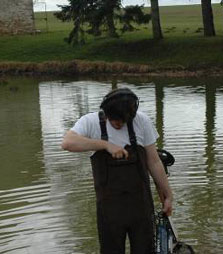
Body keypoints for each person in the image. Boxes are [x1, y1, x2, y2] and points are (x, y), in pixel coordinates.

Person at [61, 88, 173, 254]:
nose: (119, 124)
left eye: (123, 121)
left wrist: (168, 194)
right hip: (109, 210)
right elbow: (67, 143)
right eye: (114, 120)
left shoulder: (141, 121)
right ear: (106, 113)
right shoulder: (90, 122)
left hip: (141, 207)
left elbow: (154, 161)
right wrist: (105, 145)